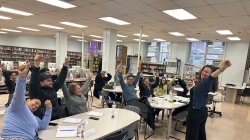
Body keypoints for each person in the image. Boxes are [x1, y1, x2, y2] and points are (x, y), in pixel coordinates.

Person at [1, 63, 52, 139]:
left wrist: (48, 109)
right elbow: (18, 95)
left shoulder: (35, 118)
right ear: (28, 100)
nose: (36, 106)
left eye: (37, 107)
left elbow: (43, 125)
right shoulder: (18, 107)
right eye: (35, 103)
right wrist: (21, 77)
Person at [186, 60, 231, 140]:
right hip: (202, 112)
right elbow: (213, 73)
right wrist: (219, 66)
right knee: (200, 134)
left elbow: (212, 76)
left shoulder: (206, 82)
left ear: (211, 74)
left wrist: (222, 68)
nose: (204, 73)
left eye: (207, 72)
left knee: (191, 135)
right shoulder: (203, 82)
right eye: (203, 70)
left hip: (195, 112)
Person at [29, 55, 69, 120]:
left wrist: (65, 66)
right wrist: (36, 66)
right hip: (43, 118)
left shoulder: (52, 88)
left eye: (51, 80)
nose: (51, 82)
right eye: (48, 81)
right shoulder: (36, 91)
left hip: (56, 116)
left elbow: (60, 79)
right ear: (41, 82)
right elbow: (34, 81)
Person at [117, 65, 156, 130]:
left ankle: (150, 115)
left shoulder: (133, 85)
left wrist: (139, 72)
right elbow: (121, 80)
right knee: (146, 109)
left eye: (132, 79)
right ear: (126, 80)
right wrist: (119, 72)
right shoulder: (124, 86)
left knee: (145, 99)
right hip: (131, 102)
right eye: (129, 79)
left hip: (137, 100)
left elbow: (137, 79)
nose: (131, 80)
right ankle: (151, 124)